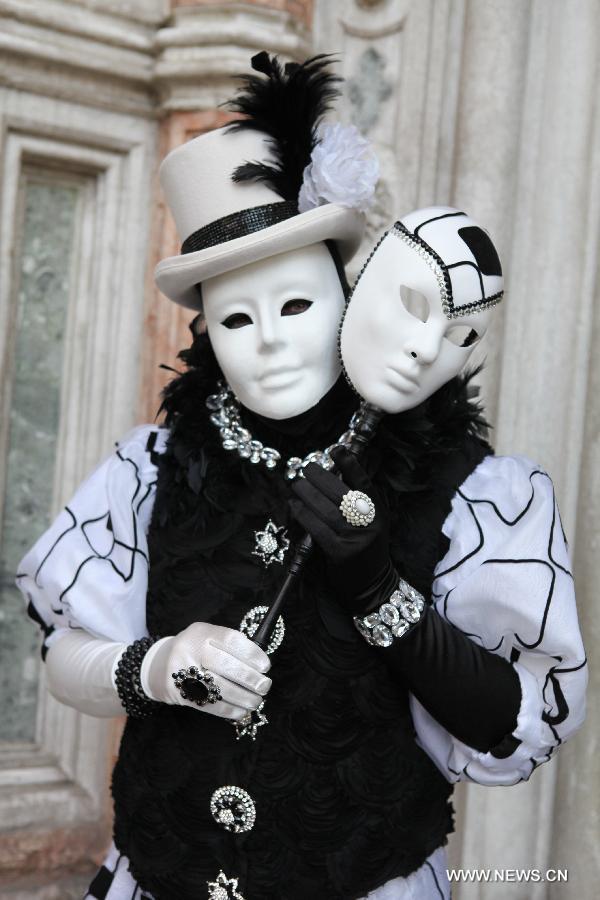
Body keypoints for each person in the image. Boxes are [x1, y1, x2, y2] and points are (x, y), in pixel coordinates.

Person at [16, 54, 587, 900]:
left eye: (295, 305)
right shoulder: (151, 469)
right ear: (206, 334)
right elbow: (62, 656)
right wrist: (159, 665)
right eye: (237, 319)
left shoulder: (474, 492)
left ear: (348, 296)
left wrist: (378, 591)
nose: (272, 341)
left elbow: (511, 724)